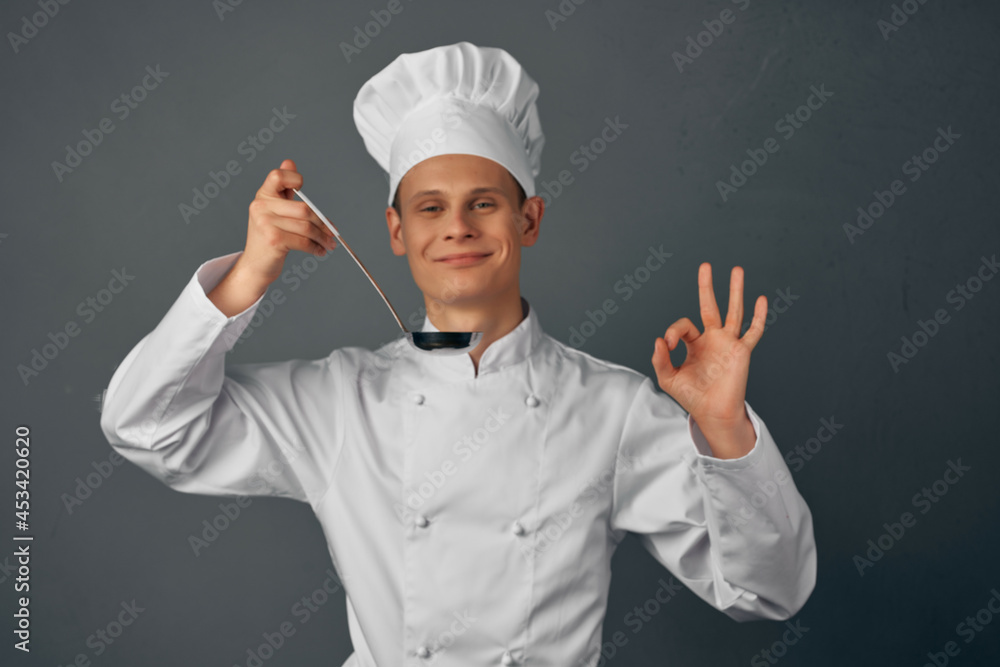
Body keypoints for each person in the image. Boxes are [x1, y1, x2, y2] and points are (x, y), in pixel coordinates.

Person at [100, 41, 816, 666]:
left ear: (529, 218)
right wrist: (246, 277)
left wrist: (726, 431)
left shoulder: (613, 408)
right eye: (430, 207)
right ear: (395, 231)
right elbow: (148, 425)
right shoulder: (340, 400)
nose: (458, 227)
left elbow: (769, 590)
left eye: (484, 202)